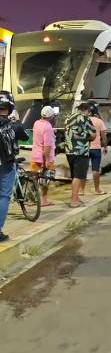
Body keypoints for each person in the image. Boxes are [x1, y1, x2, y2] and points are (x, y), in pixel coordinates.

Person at [0, 91, 29, 241]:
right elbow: (26, 137)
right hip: (6, 165)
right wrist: (17, 122)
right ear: (10, 108)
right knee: (4, 196)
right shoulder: (14, 126)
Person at [65, 103, 96, 208]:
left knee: (74, 176)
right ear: (86, 110)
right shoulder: (85, 119)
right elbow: (93, 135)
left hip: (69, 151)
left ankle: (76, 198)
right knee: (78, 176)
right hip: (81, 151)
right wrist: (87, 137)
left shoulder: (69, 118)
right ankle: (74, 201)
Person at [31, 105, 56, 207]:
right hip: (45, 158)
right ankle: (44, 200)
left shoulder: (36, 123)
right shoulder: (48, 127)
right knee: (45, 180)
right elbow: (47, 146)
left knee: (33, 178)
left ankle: (32, 199)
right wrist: (46, 160)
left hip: (35, 156)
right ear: (51, 116)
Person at [88, 102, 108, 195]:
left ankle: (81, 190)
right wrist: (105, 146)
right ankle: (97, 189)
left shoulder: (85, 120)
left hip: (86, 148)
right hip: (96, 148)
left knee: (83, 169)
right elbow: (103, 136)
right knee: (95, 169)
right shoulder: (99, 121)